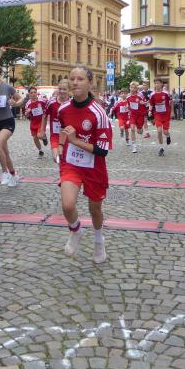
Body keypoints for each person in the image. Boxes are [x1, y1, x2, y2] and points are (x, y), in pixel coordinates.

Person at [59, 65, 112, 264]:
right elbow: (61, 131)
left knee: (94, 209)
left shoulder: (99, 113)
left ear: (90, 83)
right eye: (72, 78)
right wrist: (59, 145)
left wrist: (75, 141)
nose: (75, 82)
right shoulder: (63, 109)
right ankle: (76, 231)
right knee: (67, 204)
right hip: (71, 164)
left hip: (94, 167)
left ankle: (99, 241)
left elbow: (103, 150)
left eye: (80, 79)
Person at [41, 79, 70, 163]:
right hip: (55, 135)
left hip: (67, 135)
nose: (62, 91)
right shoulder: (51, 102)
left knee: (65, 158)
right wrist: (42, 130)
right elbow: (44, 115)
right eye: (60, 89)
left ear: (69, 90)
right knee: (56, 157)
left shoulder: (72, 103)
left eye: (64, 89)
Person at [149, 78, 172, 156]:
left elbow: (171, 102)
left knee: (165, 132)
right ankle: (161, 148)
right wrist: (149, 111)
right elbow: (151, 104)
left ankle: (168, 136)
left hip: (166, 115)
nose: (157, 85)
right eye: (155, 83)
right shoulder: (152, 94)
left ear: (162, 84)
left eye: (158, 83)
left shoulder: (166, 93)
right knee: (159, 131)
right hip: (157, 115)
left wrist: (172, 112)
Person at [24, 86, 48, 159]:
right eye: (31, 93)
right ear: (29, 94)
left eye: (35, 92)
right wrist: (27, 113)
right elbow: (26, 116)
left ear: (37, 93)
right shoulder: (28, 104)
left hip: (41, 121)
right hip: (33, 122)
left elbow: (48, 106)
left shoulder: (42, 100)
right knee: (35, 138)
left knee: (39, 135)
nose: (33, 94)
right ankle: (40, 151)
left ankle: (44, 138)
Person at [126, 81, 146, 153]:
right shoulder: (128, 96)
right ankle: (134, 146)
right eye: (131, 87)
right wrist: (127, 107)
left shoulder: (140, 95)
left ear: (136, 89)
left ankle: (140, 128)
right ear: (129, 88)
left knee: (139, 131)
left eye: (134, 88)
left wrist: (143, 103)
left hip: (140, 115)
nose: (132, 89)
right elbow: (128, 104)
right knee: (132, 129)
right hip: (133, 115)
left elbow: (146, 103)